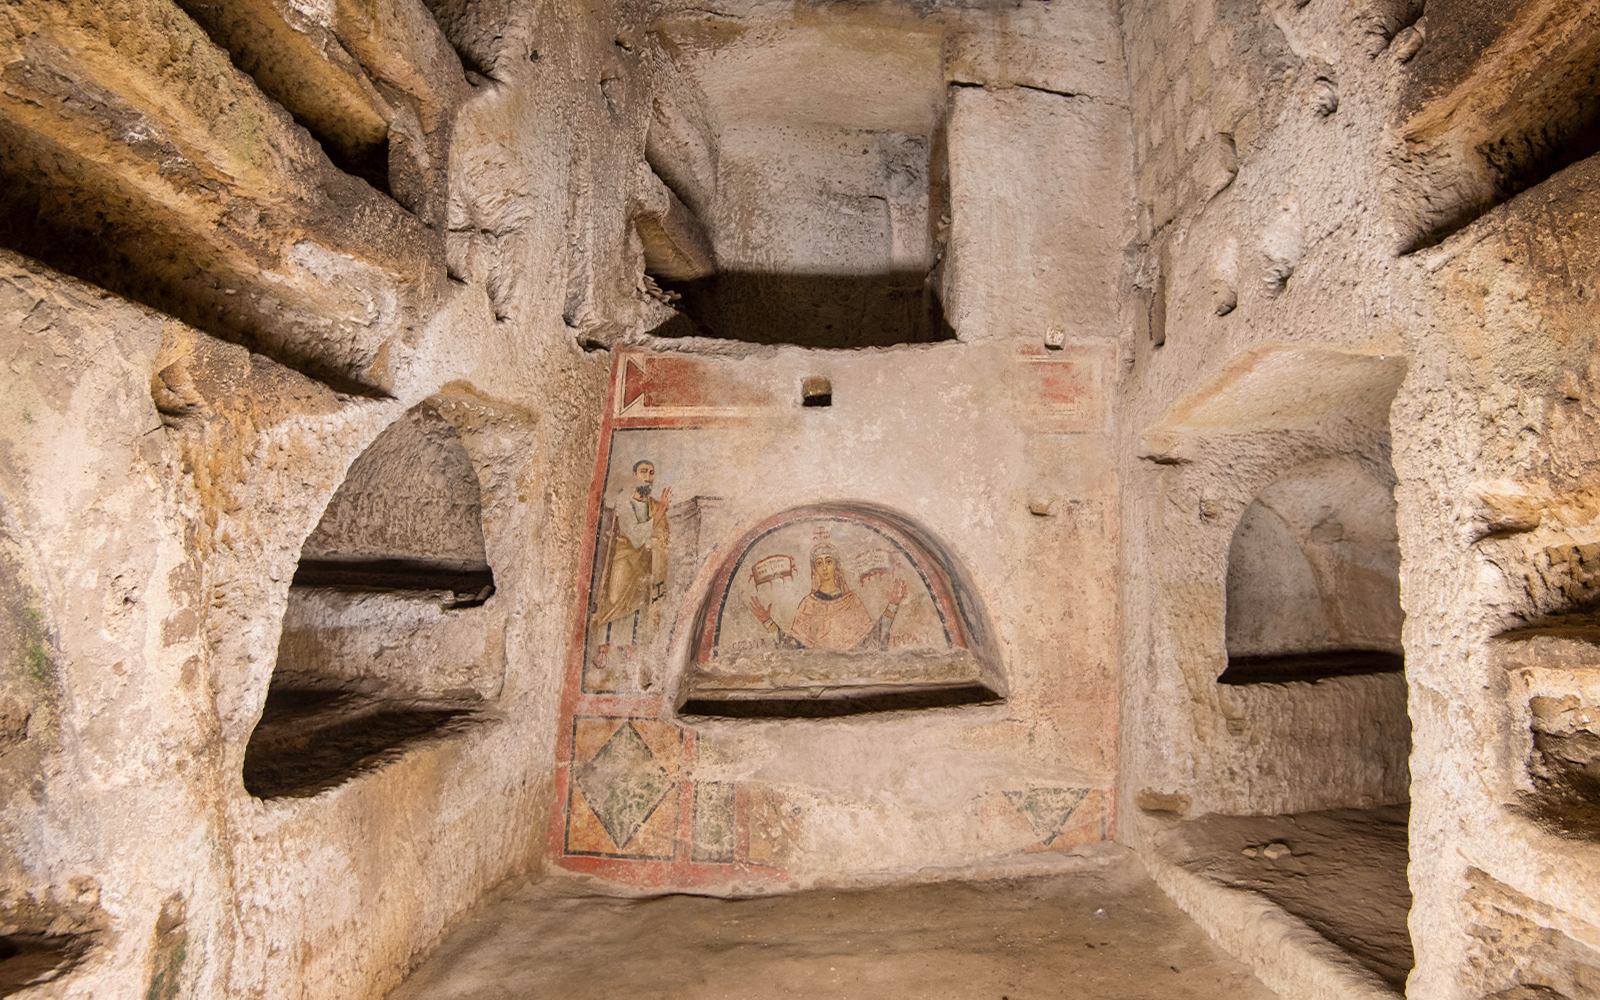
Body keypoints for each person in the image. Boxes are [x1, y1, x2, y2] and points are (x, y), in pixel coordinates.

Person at [748, 539, 907, 650]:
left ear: (836, 566)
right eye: (819, 563)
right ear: (814, 569)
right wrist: (767, 621)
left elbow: (873, 641)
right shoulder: (807, 605)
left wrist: (893, 605)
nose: (824, 568)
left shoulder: (852, 601)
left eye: (828, 561)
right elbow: (793, 648)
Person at [592, 460, 671, 659]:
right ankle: (603, 648)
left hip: (645, 563)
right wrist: (660, 514)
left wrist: (657, 537)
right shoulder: (625, 503)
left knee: (639, 605)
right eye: (643, 471)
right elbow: (634, 536)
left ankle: (631, 648)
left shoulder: (654, 504)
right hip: (624, 560)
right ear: (633, 474)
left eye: (651, 473)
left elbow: (663, 534)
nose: (648, 476)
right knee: (614, 599)